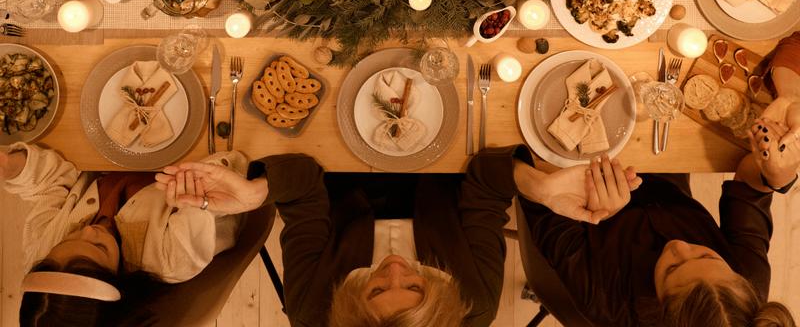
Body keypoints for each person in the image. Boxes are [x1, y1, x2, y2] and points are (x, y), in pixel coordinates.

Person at [157, 148, 640, 327]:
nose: (395, 269)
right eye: (415, 286)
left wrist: (253, 194)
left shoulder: (312, 311)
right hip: (441, 171)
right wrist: (539, 188)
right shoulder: (474, 304)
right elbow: (484, 185)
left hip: (339, 175)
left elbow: (303, 189)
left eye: (374, 289)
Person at [516, 122, 799, 324]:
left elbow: (536, 192)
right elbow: (749, 187)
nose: (679, 246)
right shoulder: (746, 289)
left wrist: (590, 205)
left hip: (571, 171)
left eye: (672, 269)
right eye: (707, 255)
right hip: (663, 168)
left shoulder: (603, 299)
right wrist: (776, 176)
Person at [0, 143, 247, 326]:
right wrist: (194, 187)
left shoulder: (43, 253)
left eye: (69, 238)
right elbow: (231, 174)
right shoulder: (172, 257)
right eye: (99, 247)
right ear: (116, 279)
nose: (88, 230)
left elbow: (49, 185)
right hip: (194, 149)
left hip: (111, 151)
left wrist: (14, 167)